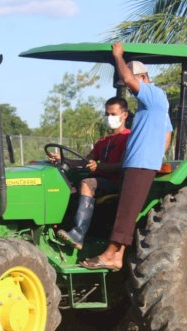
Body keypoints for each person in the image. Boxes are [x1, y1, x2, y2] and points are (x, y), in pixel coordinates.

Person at [81, 42, 173, 270]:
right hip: (140, 161)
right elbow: (168, 131)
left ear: (142, 77)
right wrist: (157, 152)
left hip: (141, 162)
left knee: (127, 210)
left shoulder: (154, 95)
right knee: (128, 208)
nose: (130, 89)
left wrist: (117, 56)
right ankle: (118, 256)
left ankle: (108, 254)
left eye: (130, 83)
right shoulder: (151, 106)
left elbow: (131, 81)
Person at [49, 96, 130, 250]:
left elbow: (124, 165)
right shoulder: (103, 141)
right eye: (107, 114)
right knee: (66, 187)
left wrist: (98, 167)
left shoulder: (128, 138)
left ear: (124, 115)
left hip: (117, 183)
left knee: (87, 183)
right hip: (100, 180)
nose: (109, 118)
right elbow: (85, 161)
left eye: (113, 114)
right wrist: (62, 159)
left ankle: (78, 234)